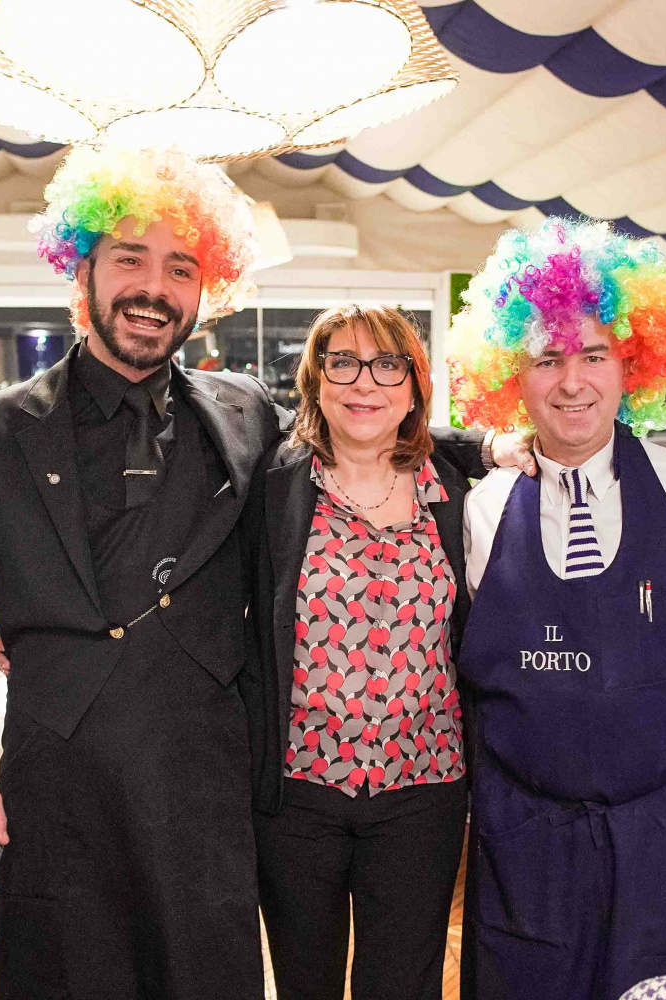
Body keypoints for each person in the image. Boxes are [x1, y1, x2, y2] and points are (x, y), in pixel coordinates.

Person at [0, 145, 507, 999]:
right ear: (81, 270)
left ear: (205, 287)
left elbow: (363, 427)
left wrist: (483, 445)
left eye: (180, 267)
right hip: (61, 785)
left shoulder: (243, 413)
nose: (153, 287)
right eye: (129, 259)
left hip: (209, 784)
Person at [448, 218, 666, 1000]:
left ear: (632, 365)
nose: (572, 381)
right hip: (525, 847)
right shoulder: (482, 511)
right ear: (513, 373)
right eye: (547, 358)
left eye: (594, 355)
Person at [242, 306, 470, 1000]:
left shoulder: (458, 492)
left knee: (404, 987)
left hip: (422, 791)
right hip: (297, 792)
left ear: (413, 385)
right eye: (342, 362)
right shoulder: (272, 488)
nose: (363, 382)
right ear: (316, 380)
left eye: (386, 364)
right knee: (303, 985)